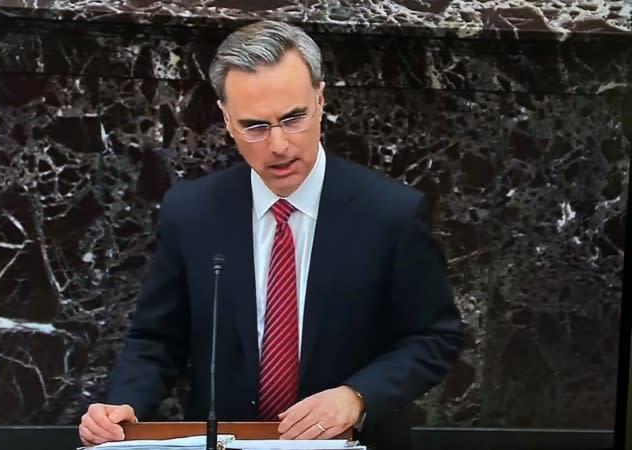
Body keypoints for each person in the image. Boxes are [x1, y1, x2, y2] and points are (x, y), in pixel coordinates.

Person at [79, 20, 463, 450]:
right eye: (255, 126)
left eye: (294, 118)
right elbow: (156, 339)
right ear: (226, 119)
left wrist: (357, 396)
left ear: (320, 99)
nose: (279, 145)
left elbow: (434, 337)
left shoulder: (391, 212)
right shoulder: (192, 213)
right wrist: (124, 408)